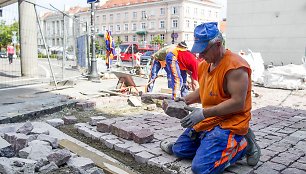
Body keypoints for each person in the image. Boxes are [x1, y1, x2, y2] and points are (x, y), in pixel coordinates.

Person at [160, 22, 261, 173]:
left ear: (218, 44)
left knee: (201, 168)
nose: (200, 56)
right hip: (211, 119)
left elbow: (238, 103)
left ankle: (242, 145)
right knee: (179, 150)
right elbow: (204, 91)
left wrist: (203, 113)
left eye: (204, 51)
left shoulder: (235, 67)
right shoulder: (204, 65)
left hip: (230, 122)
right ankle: (210, 146)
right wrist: (184, 100)